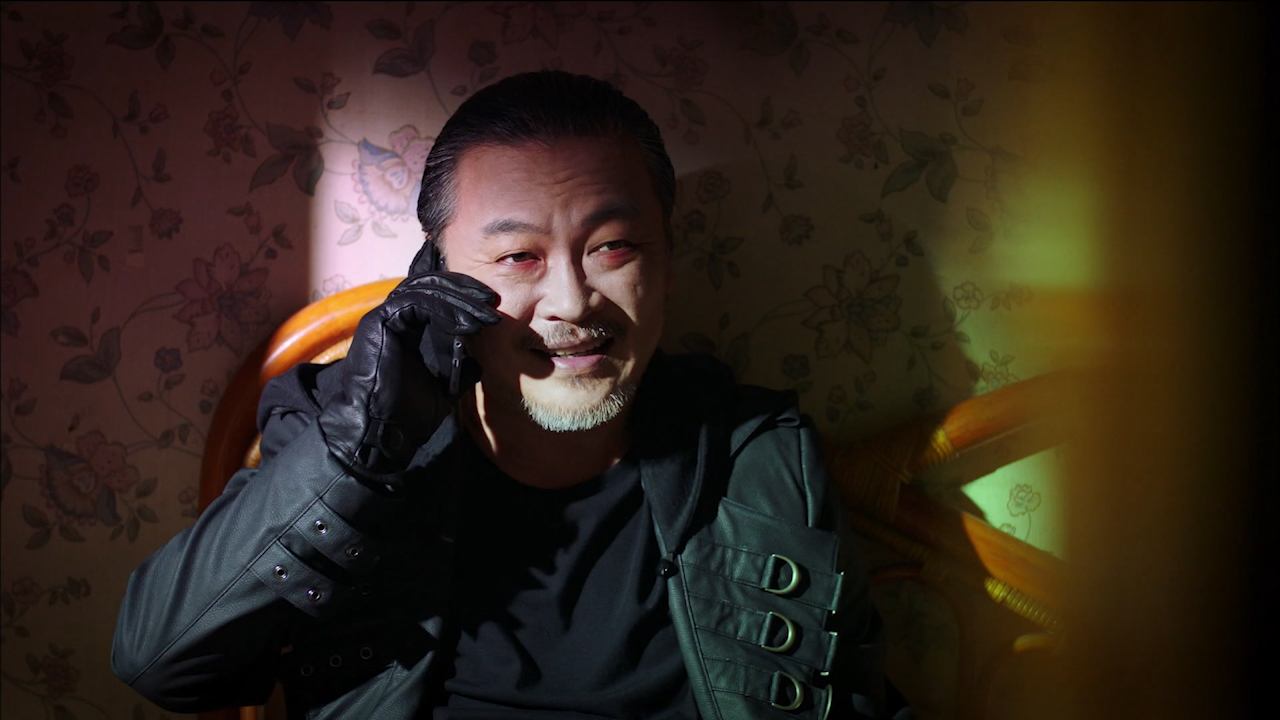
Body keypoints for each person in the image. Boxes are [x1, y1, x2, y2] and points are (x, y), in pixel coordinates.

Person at [112, 71, 891, 720]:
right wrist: (358, 454)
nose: (572, 301)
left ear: (666, 263)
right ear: (436, 276)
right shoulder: (339, 430)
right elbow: (163, 666)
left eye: (613, 247)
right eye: (519, 256)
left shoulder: (757, 454)